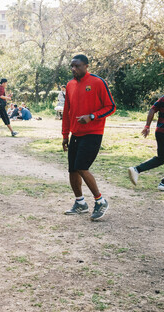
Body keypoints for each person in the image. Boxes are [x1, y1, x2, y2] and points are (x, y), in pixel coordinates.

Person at [62, 54, 116, 221]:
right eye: (72, 66)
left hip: (93, 133)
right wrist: (65, 135)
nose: (73, 69)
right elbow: (67, 113)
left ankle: (100, 201)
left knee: (82, 167)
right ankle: (80, 203)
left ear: (86, 66)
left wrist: (92, 116)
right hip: (75, 134)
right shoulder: (69, 85)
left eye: (77, 66)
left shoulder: (97, 82)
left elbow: (111, 107)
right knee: (72, 169)